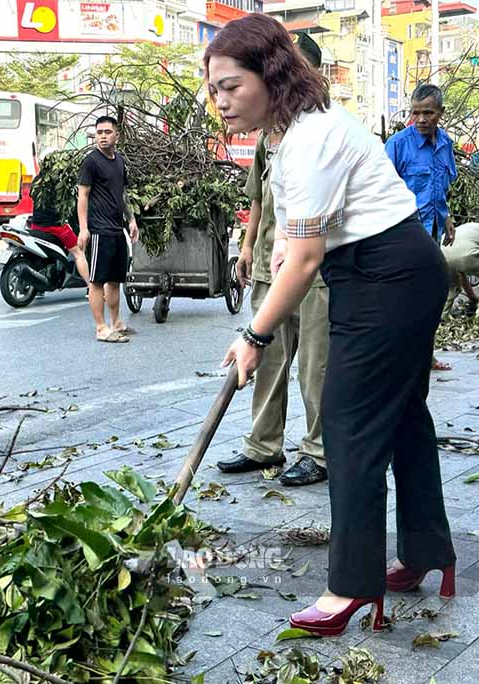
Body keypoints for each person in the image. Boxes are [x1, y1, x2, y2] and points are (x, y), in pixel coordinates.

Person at [208, 14, 456, 638]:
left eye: (231, 86)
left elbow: (309, 256)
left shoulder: (310, 137)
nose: (220, 101)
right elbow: (296, 235)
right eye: (213, 89)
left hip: (385, 276)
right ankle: (428, 553)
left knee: (347, 424)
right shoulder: (292, 131)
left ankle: (351, 583)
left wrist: (254, 335)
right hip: (385, 271)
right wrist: (276, 254)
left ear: (270, 74)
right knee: (400, 416)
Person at [218, 31, 329, 487]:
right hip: (270, 262)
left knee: (315, 364)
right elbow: (261, 199)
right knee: (265, 359)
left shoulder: (318, 130)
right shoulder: (269, 134)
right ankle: (264, 446)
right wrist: (247, 248)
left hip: (313, 270)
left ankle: (320, 451)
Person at [385, 84, 458, 371]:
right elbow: (381, 190)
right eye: (416, 113)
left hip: (432, 234)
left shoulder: (446, 145)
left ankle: (424, 354)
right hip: (402, 234)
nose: (422, 119)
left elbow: (442, 188)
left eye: (428, 113)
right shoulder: (398, 145)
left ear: (441, 113)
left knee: (428, 295)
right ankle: (397, 356)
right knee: (401, 295)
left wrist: (448, 216)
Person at [77, 115, 139, 343]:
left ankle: (116, 323)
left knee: (114, 280)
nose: (102, 136)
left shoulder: (120, 161)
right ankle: (101, 328)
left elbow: (123, 194)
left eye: (107, 132)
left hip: (116, 229)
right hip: (99, 230)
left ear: (117, 135)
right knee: (97, 281)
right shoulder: (91, 162)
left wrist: (131, 220)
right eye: (99, 132)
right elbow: (82, 195)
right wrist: (84, 229)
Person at [30, 168, 90, 283]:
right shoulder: (60, 182)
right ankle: (90, 286)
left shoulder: (37, 181)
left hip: (36, 226)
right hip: (56, 227)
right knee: (79, 253)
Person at [442, 222, 479, 318]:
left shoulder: (471, 226)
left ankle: (441, 319)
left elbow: (461, 273)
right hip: (466, 254)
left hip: (442, 252)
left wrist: (473, 298)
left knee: (451, 290)